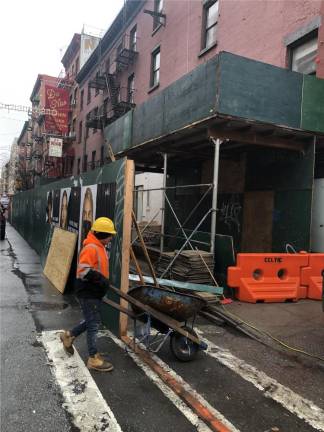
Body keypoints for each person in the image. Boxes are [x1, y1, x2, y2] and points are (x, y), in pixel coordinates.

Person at [60, 217, 116, 372]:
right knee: (93, 324)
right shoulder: (91, 248)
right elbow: (83, 271)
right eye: (109, 235)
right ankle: (93, 358)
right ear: (101, 234)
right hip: (88, 292)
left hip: (93, 291)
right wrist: (101, 280)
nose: (111, 237)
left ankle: (69, 335)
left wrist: (103, 282)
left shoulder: (99, 246)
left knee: (92, 320)